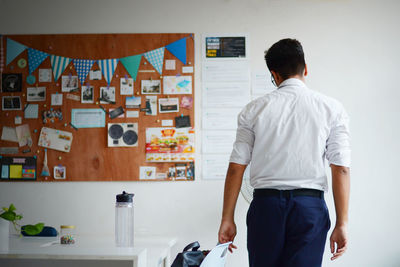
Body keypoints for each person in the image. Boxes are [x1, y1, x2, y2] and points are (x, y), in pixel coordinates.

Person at [218, 38, 350, 267]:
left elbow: (235, 168)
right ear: (305, 68)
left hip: (266, 207)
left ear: (274, 75)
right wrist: (342, 223)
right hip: (310, 209)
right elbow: (341, 169)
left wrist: (227, 218)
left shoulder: (253, 110)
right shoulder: (332, 109)